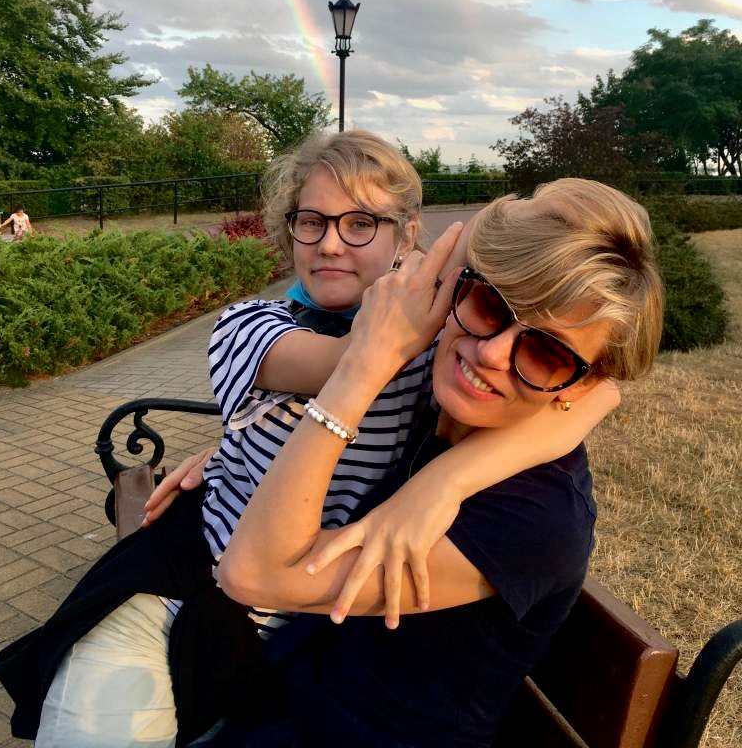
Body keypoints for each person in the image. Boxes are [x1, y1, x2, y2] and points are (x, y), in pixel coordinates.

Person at [0, 133, 617, 748]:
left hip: (273, 642)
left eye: (360, 225)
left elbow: (599, 393)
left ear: (408, 235)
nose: (330, 245)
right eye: (311, 222)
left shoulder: (445, 361)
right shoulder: (252, 327)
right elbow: (349, 360)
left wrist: (446, 479)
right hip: (178, 588)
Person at [215, 178, 665, 747]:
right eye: (489, 303)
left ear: (577, 383)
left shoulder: (535, 519)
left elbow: (252, 573)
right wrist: (223, 456)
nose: (493, 352)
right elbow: (596, 391)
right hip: (287, 697)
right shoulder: (445, 404)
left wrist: (364, 364)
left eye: (547, 353)